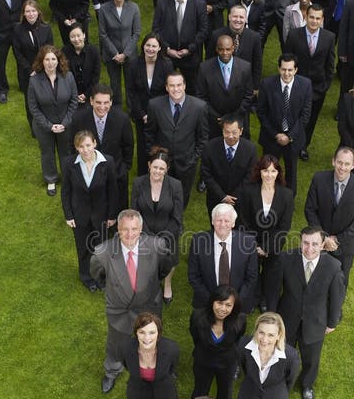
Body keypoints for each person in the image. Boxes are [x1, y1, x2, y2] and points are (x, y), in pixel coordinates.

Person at [90, 209, 171, 394]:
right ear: (117, 228)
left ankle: (156, 367)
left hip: (149, 306)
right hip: (120, 310)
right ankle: (112, 371)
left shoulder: (157, 245)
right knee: (116, 343)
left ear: (141, 229)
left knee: (152, 340)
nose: (129, 234)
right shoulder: (103, 252)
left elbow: (163, 269)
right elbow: (98, 275)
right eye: (125, 229)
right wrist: (112, 287)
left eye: (134, 229)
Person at [277, 227, 345, 399]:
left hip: (316, 321)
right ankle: (282, 381)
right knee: (284, 352)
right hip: (288, 318)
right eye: (306, 243)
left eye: (315, 244)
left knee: (312, 357)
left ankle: (307, 385)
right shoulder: (286, 259)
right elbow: (274, 289)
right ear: (300, 242)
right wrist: (273, 316)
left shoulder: (333, 267)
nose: (309, 248)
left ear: (323, 245)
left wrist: (331, 322)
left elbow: (337, 297)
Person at [304, 145, 354, 287]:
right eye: (340, 162)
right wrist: (324, 237)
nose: (342, 167)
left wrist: (337, 239)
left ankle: (335, 309)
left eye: (347, 164)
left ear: (353, 165)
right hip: (319, 243)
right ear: (333, 161)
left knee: (340, 281)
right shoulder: (319, 179)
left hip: (345, 246)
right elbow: (310, 209)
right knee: (316, 278)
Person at [61, 130, 118, 290]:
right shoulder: (68, 163)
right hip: (79, 215)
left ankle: (101, 278)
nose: (85, 150)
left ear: (94, 143)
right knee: (83, 249)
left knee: (102, 248)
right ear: (76, 147)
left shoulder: (108, 162)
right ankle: (87, 277)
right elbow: (65, 191)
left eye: (88, 145)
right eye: (81, 146)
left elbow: (113, 190)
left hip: (101, 215)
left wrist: (112, 215)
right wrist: (68, 215)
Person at [238, 154, 294, 313]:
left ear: (278, 173)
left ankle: (265, 300)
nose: (269, 175)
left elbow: (284, 226)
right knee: (251, 272)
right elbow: (243, 220)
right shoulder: (248, 191)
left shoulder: (286, 195)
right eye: (265, 171)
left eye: (273, 171)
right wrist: (254, 245)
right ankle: (252, 298)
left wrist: (267, 247)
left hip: (273, 244)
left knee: (271, 274)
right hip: (250, 242)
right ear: (259, 172)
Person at [145, 71, 208, 207]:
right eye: (172, 86)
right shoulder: (155, 105)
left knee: (182, 195)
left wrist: (194, 157)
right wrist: (155, 156)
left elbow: (203, 137)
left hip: (187, 162)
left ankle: (177, 218)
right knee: (161, 193)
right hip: (162, 161)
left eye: (179, 85)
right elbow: (149, 133)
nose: (176, 89)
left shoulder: (199, 107)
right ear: (166, 87)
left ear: (184, 85)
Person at [131, 147, 184, 304]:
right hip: (143, 232)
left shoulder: (175, 185)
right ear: (149, 165)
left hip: (168, 233)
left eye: (162, 168)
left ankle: (167, 284)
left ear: (167, 169)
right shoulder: (139, 183)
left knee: (169, 258)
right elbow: (134, 212)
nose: (158, 171)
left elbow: (177, 217)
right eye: (155, 167)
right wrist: (148, 237)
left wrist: (163, 239)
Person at [190, 286, 247, 399]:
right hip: (203, 360)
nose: (223, 309)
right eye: (219, 303)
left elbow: (237, 340)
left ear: (234, 307)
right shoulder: (198, 317)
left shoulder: (240, 320)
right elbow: (195, 337)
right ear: (212, 302)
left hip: (227, 362)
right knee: (200, 391)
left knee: (225, 394)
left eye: (228, 305)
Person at [70, 83, 134, 210]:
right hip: (89, 172)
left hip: (116, 171)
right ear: (91, 101)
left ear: (111, 102)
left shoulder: (122, 119)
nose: (102, 107)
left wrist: (125, 167)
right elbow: (72, 145)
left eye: (106, 102)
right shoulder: (79, 119)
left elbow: (128, 145)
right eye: (98, 102)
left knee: (118, 207)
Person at [285, 3, 336, 160]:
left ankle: (303, 146)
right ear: (306, 17)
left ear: (322, 20)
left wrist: (324, 87)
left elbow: (330, 65)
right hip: (296, 86)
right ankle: (289, 142)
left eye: (318, 18)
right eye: (311, 17)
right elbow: (286, 59)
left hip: (317, 89)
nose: (314, 21)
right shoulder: (294, 35)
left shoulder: (329, 37)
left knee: (311, 119)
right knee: (292, 115)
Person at [257, 53, 312, 195]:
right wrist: (276, 135)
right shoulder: (267, 84)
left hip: (294, 138)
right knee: (268, 170)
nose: (286, 73)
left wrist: (290, 136)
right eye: (283, 69)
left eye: (290, 70)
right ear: (278, 68)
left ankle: (288, 200)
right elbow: (261, 113)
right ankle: (267, 195)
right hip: (271, 137)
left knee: (291, 171)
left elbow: (305, 115)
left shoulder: (305, 85)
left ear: (296, 70)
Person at [188, 203, 258, 314]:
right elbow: (193, 276)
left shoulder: (248, 243)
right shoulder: (198, 241)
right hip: (206, 302)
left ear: (233, 223)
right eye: (219, 220)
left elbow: (252, 277)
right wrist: (213, 302)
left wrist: (233, 302)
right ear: (212, 221)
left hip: (237, 303)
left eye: (227, 221)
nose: (222, 224)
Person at [27, 45, 78, 195]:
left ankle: (68, 178)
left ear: (59, 60)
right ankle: (51, 180)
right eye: (47, 59)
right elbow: (33, 107)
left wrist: (65, 122)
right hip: (43, 125)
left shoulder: (68, 77)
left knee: (66, 151)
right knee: (47, 152)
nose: (50, 63)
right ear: (42, 62)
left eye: (53, 59)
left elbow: (74, 101)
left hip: (65, 124)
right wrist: (49, 126)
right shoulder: (34, 80)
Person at [151, 0, 208, 87]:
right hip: (167, 57)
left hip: (190, 56)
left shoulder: (199, 4)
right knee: (165, 87)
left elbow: (203, 31)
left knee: (192, 88)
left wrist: (189, 49)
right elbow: (156, 29)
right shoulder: (162, 3)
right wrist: (166, 49)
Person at [127, 34, 174, 175]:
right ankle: (143, 174)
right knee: (142, 145)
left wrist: (156, 114)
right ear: (143, 46)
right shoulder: (134, 64)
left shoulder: (166, 65)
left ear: (159, 48)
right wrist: (142, 114)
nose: (150, 49)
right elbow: (131, 92)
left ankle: (160, 171)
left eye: (154, 46)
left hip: (160, 113)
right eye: (148, 45)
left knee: (160, 143)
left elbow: (169, 91)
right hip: (141, 113)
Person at [195, 34, 254, 138]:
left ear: (233, 48)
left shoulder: (245, 67)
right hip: (214, 122)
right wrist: (217, 117)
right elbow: (201, 96)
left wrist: (234, 116)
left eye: (228, 49)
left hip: (238, 119)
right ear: (217, 49)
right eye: (221, 49)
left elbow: (248, 95)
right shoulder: (204, 68)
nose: (225, 53)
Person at [200, 113, 258, 215]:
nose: (230, 136)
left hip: (240, 199)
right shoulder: (210, 147)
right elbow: (206, 174)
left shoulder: (250, 149)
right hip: (216, 198)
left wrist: (233, 197)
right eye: (227, 132)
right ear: (222, 131)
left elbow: (250, 175)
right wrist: (222, 196)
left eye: (234, 132)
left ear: (241, 131)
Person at [98, 0, 141, 107]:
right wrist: (115, 54)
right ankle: (116, 109)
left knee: (130, 83)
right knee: (114, 84)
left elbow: (136, 33)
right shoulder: (104, 9)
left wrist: (125, 54)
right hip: (112, 55)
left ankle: (132, 108)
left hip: (130, 54)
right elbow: (102, 34)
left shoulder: (134, 8)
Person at [12, 0, 54, 124]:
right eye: (28, 11)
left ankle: (47, 123)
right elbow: (17, 53)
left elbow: (50, 50)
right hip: (27, 72)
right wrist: (31, 70)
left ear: (38, 12)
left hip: (45, 70)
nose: (31, 14)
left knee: (46, 99)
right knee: (30, 101)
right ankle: (33, 126)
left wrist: (42, 67)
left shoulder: (46, 29)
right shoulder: (17, 29)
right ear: (23, 14)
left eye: (33, 11)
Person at [211, 5, 264, 94]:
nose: (238, 20)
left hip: (244, 85)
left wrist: (255, 86)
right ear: (229, 17)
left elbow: (257, 63)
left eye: (241, 17)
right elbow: (210, 60)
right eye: (235, 16)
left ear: (246, 19)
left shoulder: (255, 37)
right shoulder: (216, 35)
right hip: (221, 83)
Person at [62, 22, 101, 104]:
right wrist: (74, 94)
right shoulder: (64, 52)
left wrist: (86, 94)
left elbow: (96, 76)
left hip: (91, 92)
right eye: (72, 37)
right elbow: (64, 74)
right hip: (71, 93)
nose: (76, 39)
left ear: (84, 35)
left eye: (78, 35)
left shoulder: (93, 51)